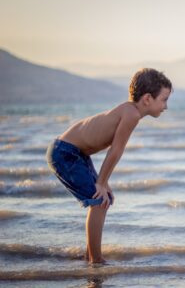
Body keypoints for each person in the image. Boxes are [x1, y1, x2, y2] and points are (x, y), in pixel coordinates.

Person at [46, 68, 172, 263]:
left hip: (75, 153)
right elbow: (116, 151)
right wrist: (101, 182)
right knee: (98, 200)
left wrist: (103, 183)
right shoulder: (131, 114)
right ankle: (95, 260)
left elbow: (113, 150)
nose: (166, 106)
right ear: (147, 98)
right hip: (64, 153)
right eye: (164, 99)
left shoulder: (130, 111)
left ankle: (90, 255)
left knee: (105, 198)